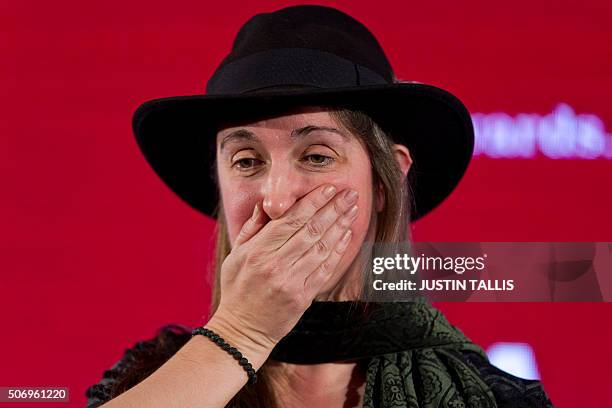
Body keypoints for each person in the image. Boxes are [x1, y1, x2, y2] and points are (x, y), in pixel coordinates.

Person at [86, 5, 554, 407]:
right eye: (246, 161)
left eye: (315, 156)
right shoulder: (148, 379)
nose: (276, 197)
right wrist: (241, 333)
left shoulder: (481, 395)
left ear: (385, 180)